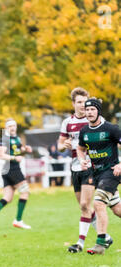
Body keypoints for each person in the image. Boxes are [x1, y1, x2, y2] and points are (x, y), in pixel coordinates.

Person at [57, 88, 112, 253]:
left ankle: (80, 243)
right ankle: (106, 237)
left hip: (91, 166)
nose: (83, 105)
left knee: (84, 204)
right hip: (75, 168)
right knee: (85, 208)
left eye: (85, 102)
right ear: (73, 103)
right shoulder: (67, 123)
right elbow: (59, 145)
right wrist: (63, 146)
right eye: (79, 102)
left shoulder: (94, 119)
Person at [77, 98, 121, 255]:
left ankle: (101, 243)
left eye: (92, 110)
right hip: (97, 174)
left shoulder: (111, 129)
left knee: (98, 203)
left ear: (98, 111)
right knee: (117, 210)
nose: (89, 112)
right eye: (87, 110)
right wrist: (82, 160)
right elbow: (80, 148)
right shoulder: (84, 131)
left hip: (112, 172)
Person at [0, 118, 32, 230]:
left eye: (14, 126)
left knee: (8, 197)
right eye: (10, 126)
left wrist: (26, 150)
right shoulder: (5, 139)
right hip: (12, 169)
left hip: (9, 170)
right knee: (25, 192)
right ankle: (18, 220)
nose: (12, 128)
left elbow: (19, 152)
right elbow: (0, 155)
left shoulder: (17, 138)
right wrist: (14, 157)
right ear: (6, 128)